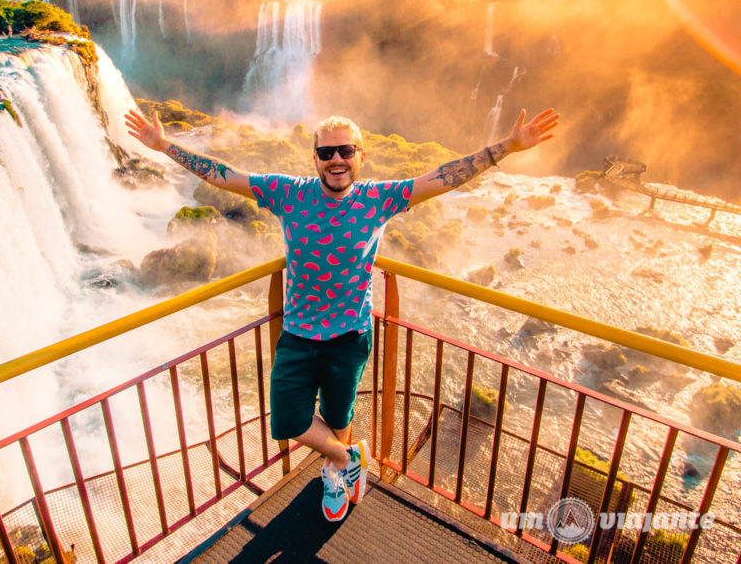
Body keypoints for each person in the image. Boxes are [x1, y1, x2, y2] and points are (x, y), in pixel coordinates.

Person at [125, 107, 559, 521]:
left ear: (360, 157)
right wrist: (165, 145)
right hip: (297, 334)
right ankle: (346, 457)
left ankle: (337, 475)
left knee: (339, 415)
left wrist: (505, 147)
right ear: (314, 157)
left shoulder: (381, 198)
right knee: (289, 418)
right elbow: (222, 175)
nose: (336, 160)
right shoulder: (287, 192)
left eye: (345, 151)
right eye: (326, 152)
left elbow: (444, 177)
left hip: (350, 336)